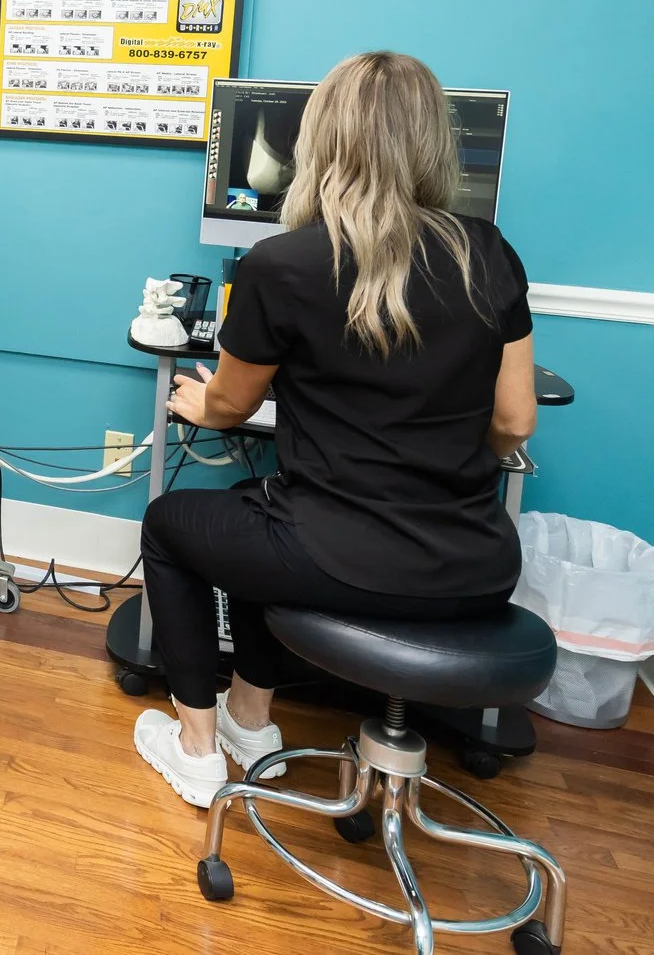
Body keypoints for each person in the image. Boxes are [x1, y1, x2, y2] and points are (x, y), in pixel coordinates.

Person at [132, 50, 540, 808]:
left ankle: (197, 749)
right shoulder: (489, 252)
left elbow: (228, 404)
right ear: (431, 143)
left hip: (336, 559)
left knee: (172, 525)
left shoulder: (280, 265)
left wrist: (202, 407)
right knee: (259, 512)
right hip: (475, 567)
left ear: (322, 141)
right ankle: (250, 725)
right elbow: (515, 423)